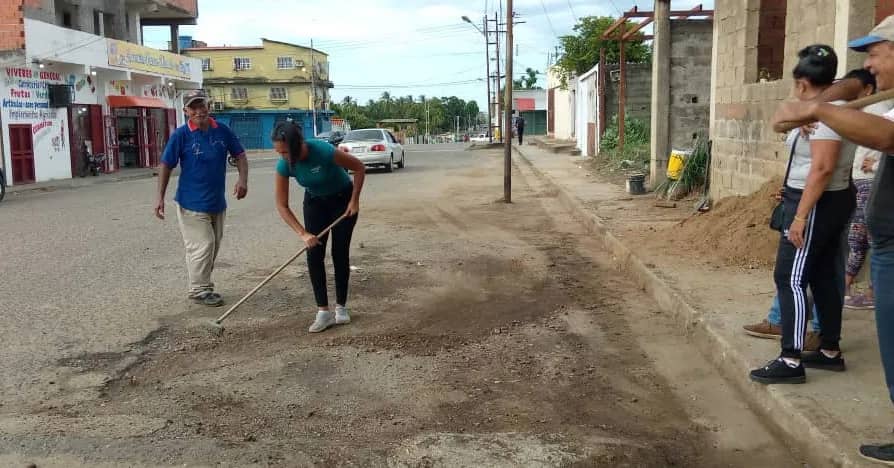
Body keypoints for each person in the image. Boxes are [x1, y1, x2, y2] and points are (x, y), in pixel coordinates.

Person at [750, 45, 857, 385]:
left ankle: (790, 358)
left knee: (791, 277)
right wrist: (805, 114)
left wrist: (800, 216)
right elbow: (778, 120)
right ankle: (829, 350)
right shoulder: (820, 111)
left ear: (802, 81)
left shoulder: (830, 117)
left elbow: (823, 169)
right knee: (824, 275)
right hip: (818, 198)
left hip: (816, 201)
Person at [155, 89, 248, 307]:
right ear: (186, 111)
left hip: (216, 202)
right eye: (193, 107)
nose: (199, 111)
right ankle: (199, 289)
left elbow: (240, 155)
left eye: (201, 105)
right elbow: (166, 165)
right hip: (191, 202)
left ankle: (202, 284)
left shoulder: (222, 131)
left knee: (213, 246)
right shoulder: (181, 135)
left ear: (208, 106)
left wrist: (243, 180)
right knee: (202, 245)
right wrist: (159, 197)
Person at [271, 121, 366, 333]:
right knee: (314, 254)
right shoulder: (284, 165)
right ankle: (323, 312)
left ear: (297, 145)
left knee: (339, 253)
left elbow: (359, 167)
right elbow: (282, 205)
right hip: (315, 203)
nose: (283, 156)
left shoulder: (323, 151)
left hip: (343, 200)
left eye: (285, 152)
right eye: (279, 152)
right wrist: (303, 233)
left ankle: (341, 307)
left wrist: (354, 200)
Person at [842, 70, 892, 310]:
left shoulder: (879, 108)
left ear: (868, 90)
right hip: (862, 179)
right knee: (861, 236)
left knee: (863, 236)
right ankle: (854, 288)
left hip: (870, 180)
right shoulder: (869, 109)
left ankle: (869, 292)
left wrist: (877, 164)